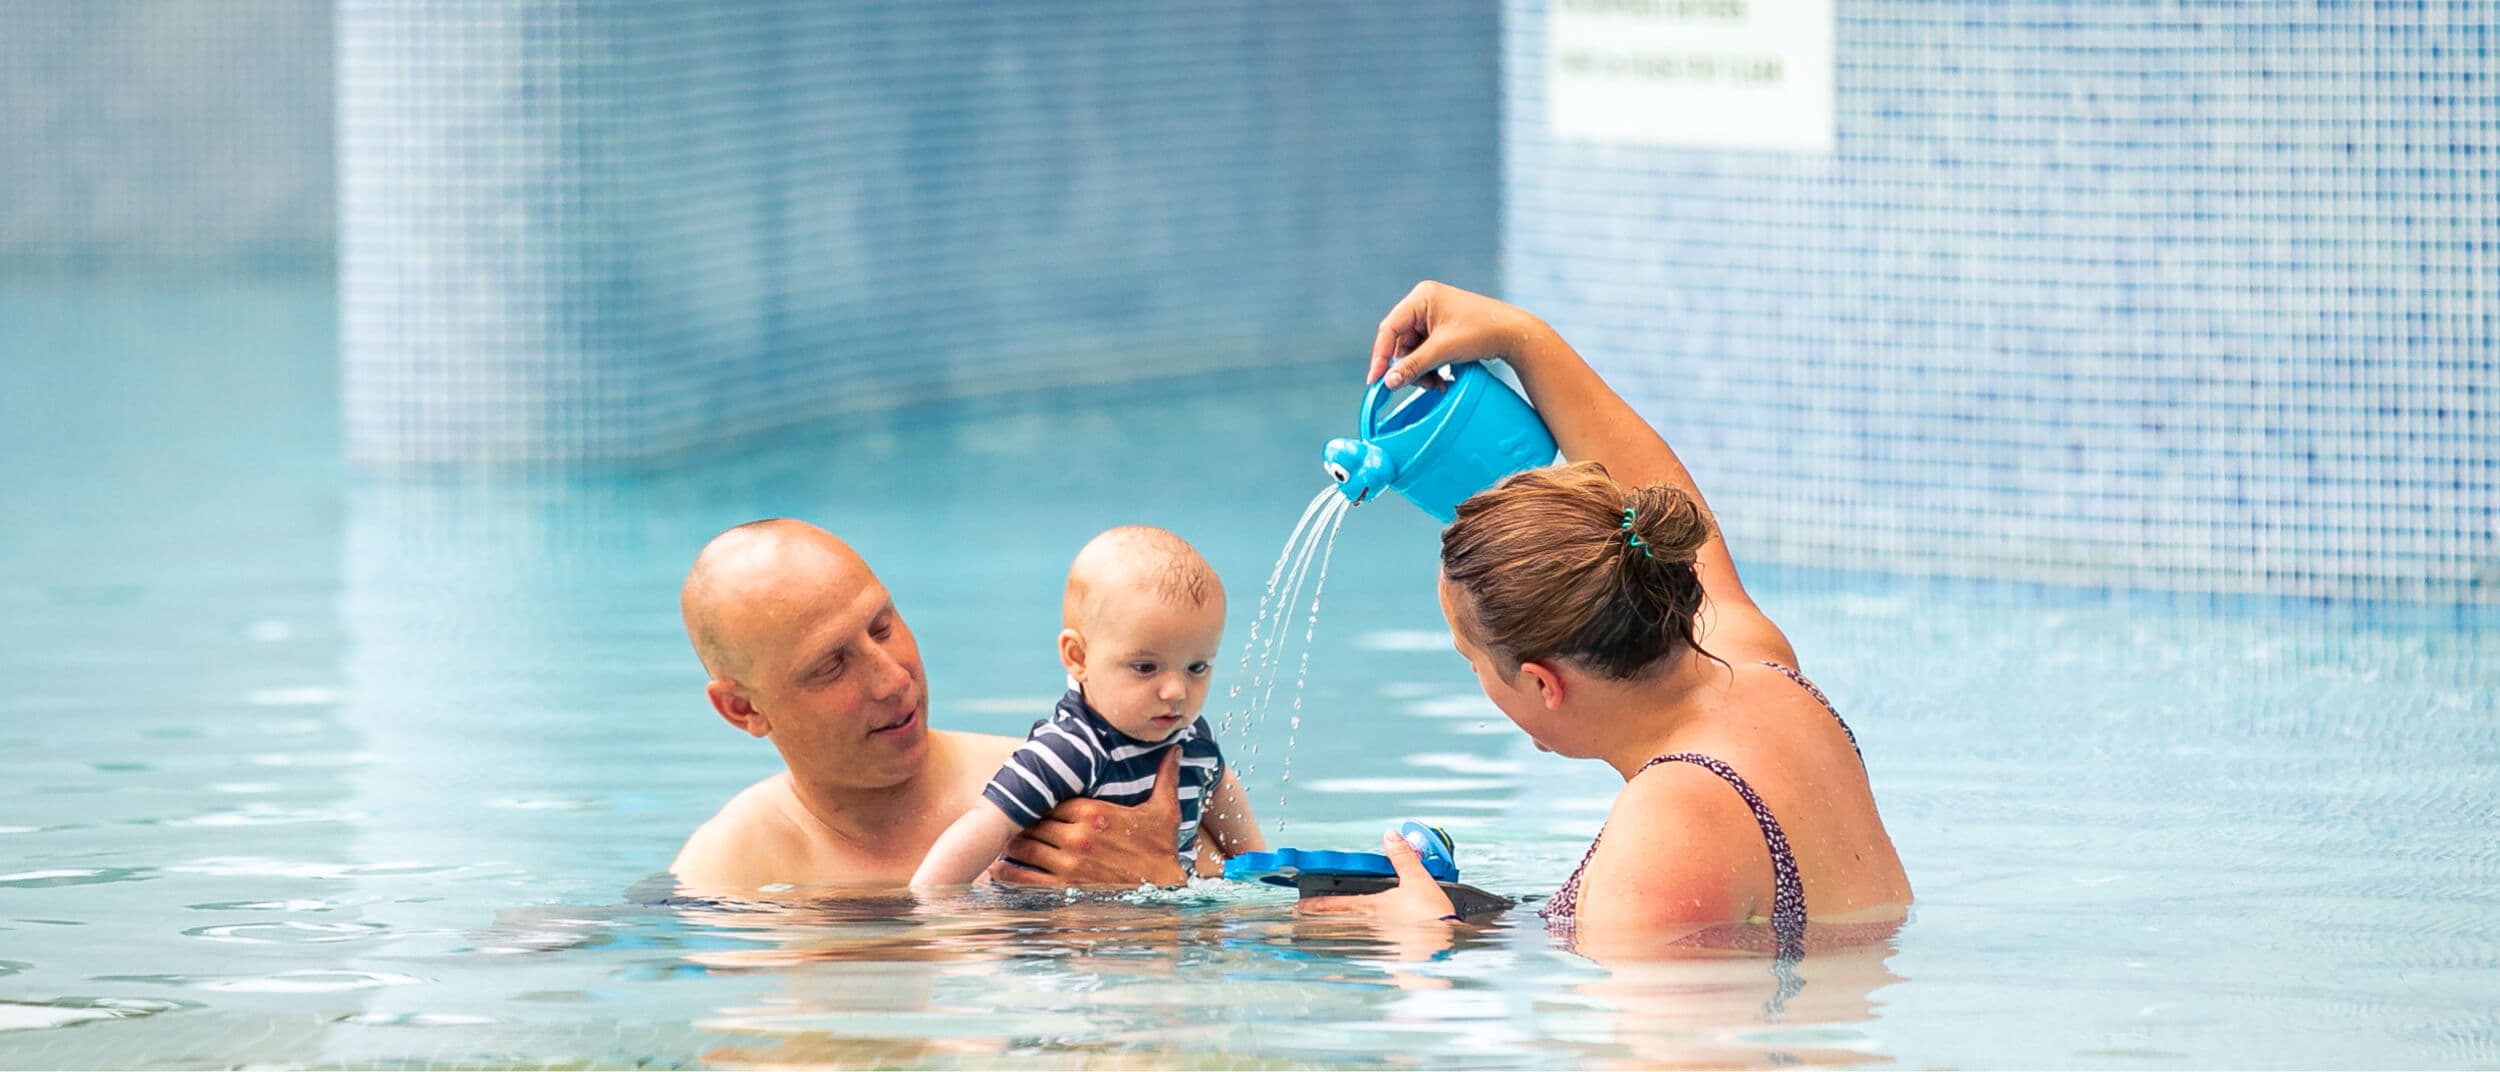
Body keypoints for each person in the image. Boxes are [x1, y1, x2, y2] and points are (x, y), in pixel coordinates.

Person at [1303, 282, 1912, 958]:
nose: (1476, 679)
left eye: (1471, 661)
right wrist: (1521, 338)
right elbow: (1655, 492)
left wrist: (1425, 946)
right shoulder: (1755, 670)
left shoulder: (1667, 836)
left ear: (1544, 683)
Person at [670, 519, 1191, 896]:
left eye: (882, 627)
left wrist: (1164, 887)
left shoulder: (1085, 790)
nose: (894, 680)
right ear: (741, 708)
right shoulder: (728, 873)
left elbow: (1236, 936)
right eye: (831, 664)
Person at [912, 527, 1265, 889]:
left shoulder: (1194, 741)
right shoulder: (1070, 751)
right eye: (1145, 667)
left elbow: (1226, 800)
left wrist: (1264, 877)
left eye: (1197, 667)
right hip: (1057, 919)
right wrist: (928, 903)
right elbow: (987, 823)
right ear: (1078, 657)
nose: (1176, 691)